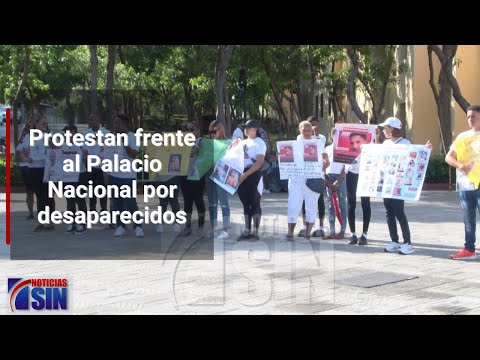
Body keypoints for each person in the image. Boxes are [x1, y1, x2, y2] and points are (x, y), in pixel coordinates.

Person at [379, 116, 432, 255]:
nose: (384, 130)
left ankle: (407, 242)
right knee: (389, 213)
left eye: (386, 128)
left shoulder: (405, 143)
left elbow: (415, 156)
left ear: (392, 129)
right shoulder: (385, 144)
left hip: (399, 185)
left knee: (399, 213)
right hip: (387, 184)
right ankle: (394, 241)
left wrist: (425, 150)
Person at [279, 121, 327, 241]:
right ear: (299, 131)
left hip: (313, 180)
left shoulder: (319, 144)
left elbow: (325, 165)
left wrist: (325, 162)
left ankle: (308, 234)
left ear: (312, 131)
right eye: (304, 130)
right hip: (296, 180)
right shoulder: (292, 145)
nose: (306, 132)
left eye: (308, 130)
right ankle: (290, 233)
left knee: (311, 207)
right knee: (293, 206)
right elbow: (286, 162)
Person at [445, 105, 480, 260]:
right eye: (468, 117)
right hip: (466, 185)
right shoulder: (462, 137)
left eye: (474, 116)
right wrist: (461, 166)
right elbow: (448, 157)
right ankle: (469, 250)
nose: (470, 120)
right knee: (468, 219)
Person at [108, 114, 144, 238]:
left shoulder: (132, 137)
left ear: (124, 125)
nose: (115, 126)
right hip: (113, 174)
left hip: (127, 176)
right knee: (116, 203)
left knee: (130, 203)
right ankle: (120, 226)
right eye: (114, 123)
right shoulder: (112, 137)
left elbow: (133, 154)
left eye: (117, 123)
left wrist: (124, 142)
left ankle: (138, 226)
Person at [21, 114, 55, 231]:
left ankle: (50, 221)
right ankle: (42, 221)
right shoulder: (28, 137)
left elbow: (55, 148)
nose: (45, 126)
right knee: (40, 195)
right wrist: (27, 159)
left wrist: (53, 145)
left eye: (46, 124)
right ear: (36, 124)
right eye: (43, 123)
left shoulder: (47, 136)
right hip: (34, 169)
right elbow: (23, 153)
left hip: (46, 168)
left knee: (49, 195)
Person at [236, 119, 266, 240]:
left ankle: (256, 231)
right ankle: (247, 230)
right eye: (245, 127)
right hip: (242, 173)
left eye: (249, 127)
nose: (246, 129)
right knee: (245, 203)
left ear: (255, 129)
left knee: (255, 203)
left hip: (254, 175)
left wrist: (246, 174)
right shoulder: (242, 143)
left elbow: (259, 163)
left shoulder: (260, 143)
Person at [204, 120, 231, 239]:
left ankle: (225, 230)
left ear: (220, 130)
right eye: (210, 131)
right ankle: (214, 228)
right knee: (212, 203)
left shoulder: (228, 143)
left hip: (221, 174)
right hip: (209, 173)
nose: (212, 134)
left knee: (224, 202)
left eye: (214, 131)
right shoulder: (207, 143)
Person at [179, 121, 206, 236]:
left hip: (197, 175)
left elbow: (201, 153)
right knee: (187, 201)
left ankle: (200, 226)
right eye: (187, 129)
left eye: (191, 129)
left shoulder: (202, 141)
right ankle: (188, 226)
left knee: (198, 200)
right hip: (184, 174)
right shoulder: (181, 142)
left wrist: (191, 144)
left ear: (198, 130)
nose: (189, 132)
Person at [346, 130, 372, 245]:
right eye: (352, 143)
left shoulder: (370, 149)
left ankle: (364, 234)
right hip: (351, 174)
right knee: (351, 203)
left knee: (365, 203)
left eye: (358, 142)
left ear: (365, 141)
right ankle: (353, 234)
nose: (355, 145)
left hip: (365, 175)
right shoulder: (348, 151)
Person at [82, 113, 109, 213]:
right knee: (92, 189)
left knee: (102, 189)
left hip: (102, 165)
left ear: (98, 120)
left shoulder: (106, 133)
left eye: (93, 119)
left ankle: (103, 209)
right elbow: (84, 149)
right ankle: (92, 208)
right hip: (90, 165)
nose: (91, 122)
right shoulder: (85, 133)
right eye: (89, 120)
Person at [324, 127, 347, 239]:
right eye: (333, 133)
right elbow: (323, 164)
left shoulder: (344, 149)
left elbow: (345, 166)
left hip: (340, 177)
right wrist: (325, 179)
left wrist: (339, 180)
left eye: (338, 133)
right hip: (329, 176)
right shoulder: (327, 148)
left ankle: (343, 230)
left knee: (342, 203)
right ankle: (332, 229)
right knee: (330, 205)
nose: (335, 135)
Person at [15, 123, 35, 220]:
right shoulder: (22, 142)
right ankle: (31, 213)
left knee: (40, 192)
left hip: (37, 167)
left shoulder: (41, 138)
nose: (27, 131)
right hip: (26, 168)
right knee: (29, 192)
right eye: (26, 130)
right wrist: (24, 157)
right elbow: (16, 157)